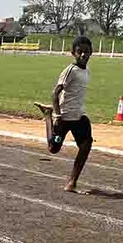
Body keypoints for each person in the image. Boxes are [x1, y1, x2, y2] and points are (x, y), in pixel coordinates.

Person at [34, 36, 94, 193]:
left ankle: (72, 182)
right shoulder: (70, 71)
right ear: (73, 53)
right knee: (53, 148)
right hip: (65, 117)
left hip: (79, 116)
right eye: (79, 52)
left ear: (91, 53)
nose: (83, 55)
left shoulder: (87, 71)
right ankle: (48, 116)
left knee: (86, 144)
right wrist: (57, 116)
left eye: (86, 52)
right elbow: (55, 94)